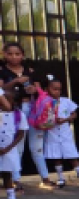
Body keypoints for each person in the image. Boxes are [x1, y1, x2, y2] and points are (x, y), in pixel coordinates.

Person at [2, 42, 50, 190]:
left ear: (22, 55)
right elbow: (1, 89)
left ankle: (45, 178)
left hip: (33, 109)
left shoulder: (29, 71)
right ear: (4, 54)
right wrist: (15, 81)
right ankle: (16, 179)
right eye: (10, 54)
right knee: (18, 146)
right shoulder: (2, 71)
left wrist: (33, 89)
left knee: (37, 146)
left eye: (17, 54)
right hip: (14, 110)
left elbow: (39, 88)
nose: (14, 57)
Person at [40, 77, 79, 189]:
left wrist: (65, 119)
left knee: (72, 156)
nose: (57, 91)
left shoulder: (66, 101)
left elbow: (74, 114)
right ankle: (60, 178)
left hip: (65, 133)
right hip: (53, 133)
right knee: (56, 157)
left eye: (59, 89)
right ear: (47, 89)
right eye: (54, 89)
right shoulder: (44, 103)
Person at [0, 84, 28, 199]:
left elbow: (21, 134)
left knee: (7, 174)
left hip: (9, 149)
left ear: (14, 101)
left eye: (7, 98)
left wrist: (8, 148)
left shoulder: (19, 115)